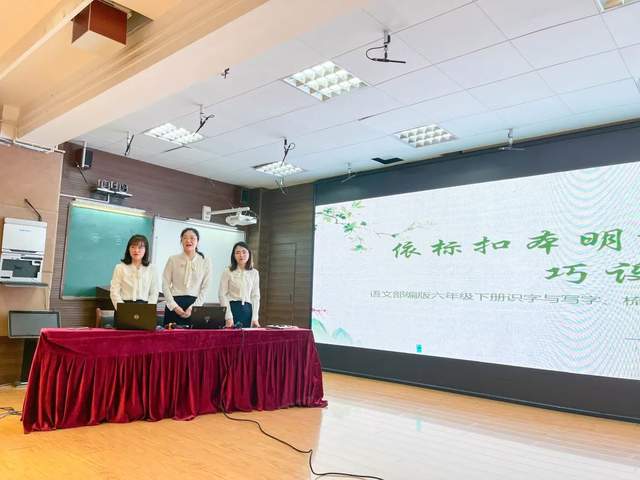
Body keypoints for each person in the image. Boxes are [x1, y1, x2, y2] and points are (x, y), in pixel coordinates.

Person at [162, 227, 212, 326]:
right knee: (170, 335)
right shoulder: (173, 259)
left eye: (192, 238)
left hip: (195, 306)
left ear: (197, 241)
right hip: (174, 304)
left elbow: (205, 287)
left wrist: (194, 307)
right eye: (185, 238)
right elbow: (165, 284)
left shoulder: (205, 260)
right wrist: (174, 306)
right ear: (181, 241)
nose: (188, 240)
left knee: (193, 335)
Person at [110, 234, 159, 311]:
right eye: (133, 247)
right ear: (128, 249)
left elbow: (154, 292)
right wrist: (122, 309)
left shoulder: (152, 269)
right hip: (123, 306)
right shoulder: (120, 268)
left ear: (145, 250)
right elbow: (114, 292)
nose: (136, 250)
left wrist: (148, 309)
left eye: (140, 247)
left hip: (145, 308)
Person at [219, 241, 260, 328]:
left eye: (244, 252)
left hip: (248, 311)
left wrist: (255, 318)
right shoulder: (227, 271)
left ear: (249, 254)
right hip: (232, 309)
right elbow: (222, 294)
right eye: (237, 252)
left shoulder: (254, 273)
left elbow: (255, 296)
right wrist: (228, 316)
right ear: (234, 256)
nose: (241, 255)